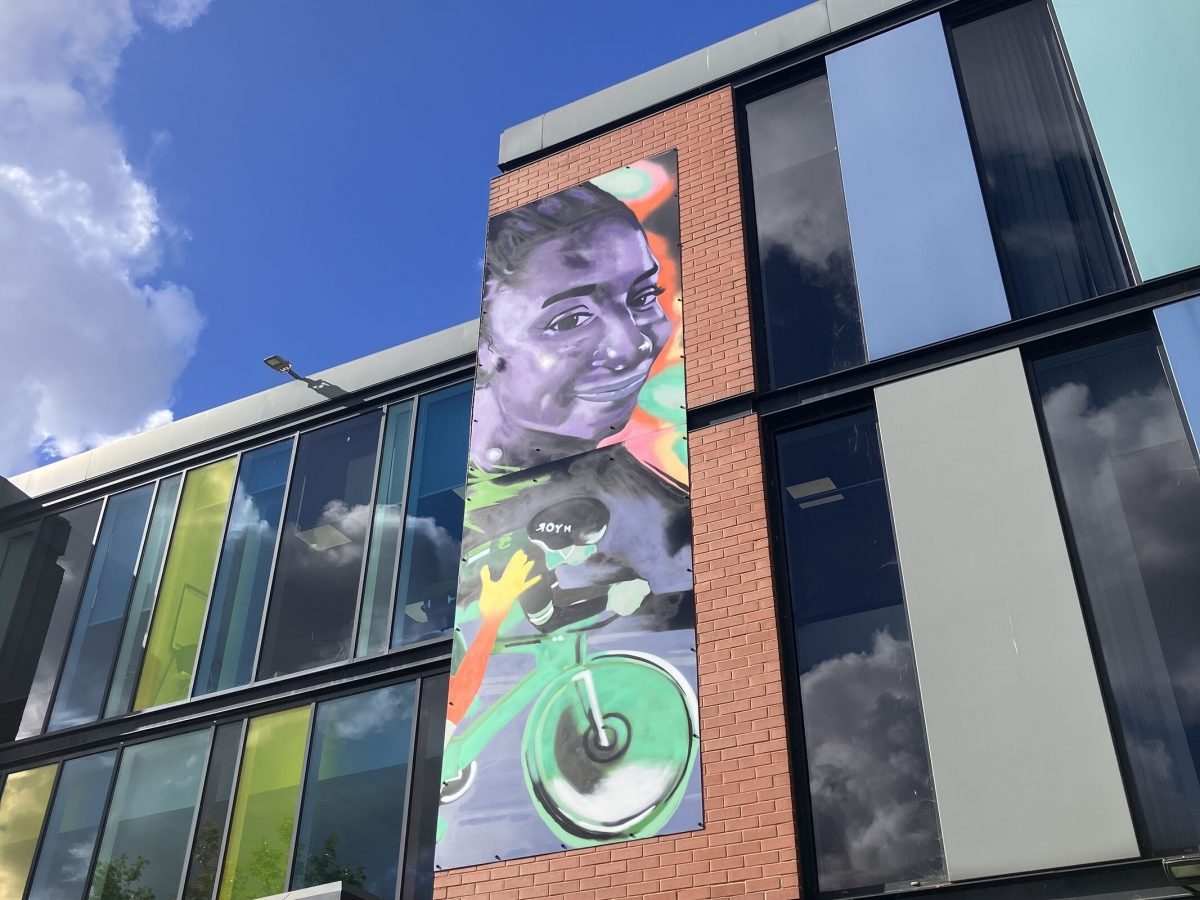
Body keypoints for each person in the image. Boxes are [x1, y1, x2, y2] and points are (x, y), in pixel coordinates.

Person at [472, 182, 673, 473]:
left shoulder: (652, 489)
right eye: (569, 321)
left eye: (642, 297)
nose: (631, 347)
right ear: (482, 352)